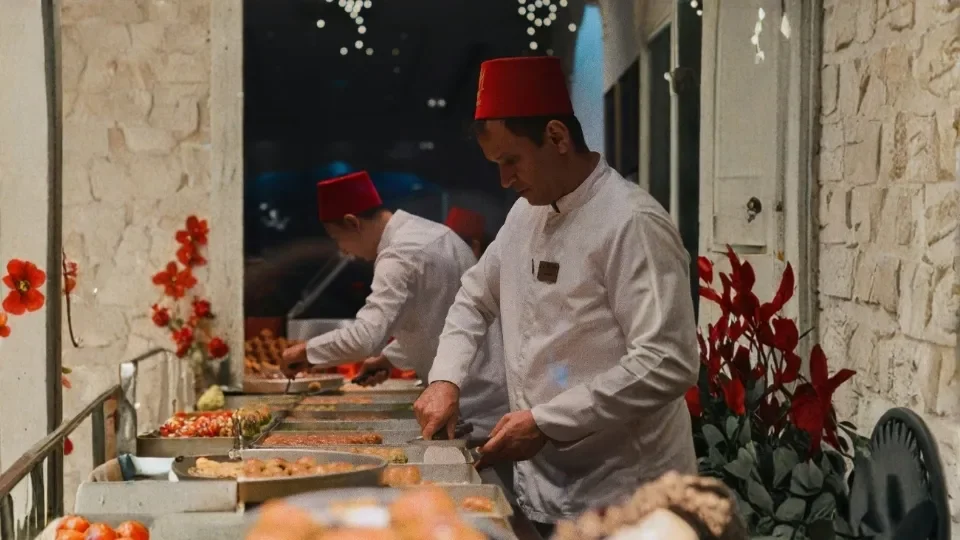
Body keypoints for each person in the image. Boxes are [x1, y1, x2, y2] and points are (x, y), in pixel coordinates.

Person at [413, 56, 700, 535]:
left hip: (629, 493)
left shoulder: (630, 221)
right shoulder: (527, 215)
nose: (504, 180)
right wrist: (445, 379)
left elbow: (667, 360)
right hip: (548, 487)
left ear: (557, 137)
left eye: (511, 161)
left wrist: (547, 421)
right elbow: (474, 296)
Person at [278, 171, 508, 439]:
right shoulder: (430, 233)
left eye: (337, 239)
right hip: (486, 396)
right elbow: (439, 317)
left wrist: (306, 352)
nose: (343, 251)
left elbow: (365, 338)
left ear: (353, 223)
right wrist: (390, 359)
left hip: (469, 403)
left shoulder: (397, 255)